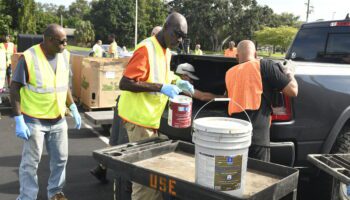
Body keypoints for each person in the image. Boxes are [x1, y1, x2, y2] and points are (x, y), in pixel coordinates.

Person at [117, 12, 193, 200]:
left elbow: (161, 77)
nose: (179, 40)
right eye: (177, 34)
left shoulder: (165, 51)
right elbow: (126, 82)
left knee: (153, 179)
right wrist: (162, 88)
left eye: (183, 37)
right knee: (144, 182)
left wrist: (177, 82)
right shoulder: (146, 49)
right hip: (138, 122)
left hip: (149, 122)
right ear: (166, 27)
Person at [10, 24, 82, 200]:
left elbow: (63, 84)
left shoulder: (64, 55)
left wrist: (72, 106)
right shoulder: (29, 58)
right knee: (30, 164)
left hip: (58, 119)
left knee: (61, 160)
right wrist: (19, 119)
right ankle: (27, 197)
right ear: (49, 40)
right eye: (62, 42)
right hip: (34, 120)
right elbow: (14, 88)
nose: (65, 45)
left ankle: (56, 193)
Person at [225, 40, 298, 162]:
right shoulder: (264, 65)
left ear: (237, 57)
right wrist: (290, 73)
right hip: (258, 140)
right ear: (256, 54)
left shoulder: (229, 73)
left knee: (236, 177)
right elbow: (293, 91)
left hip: (234, 139)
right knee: (259, 177)